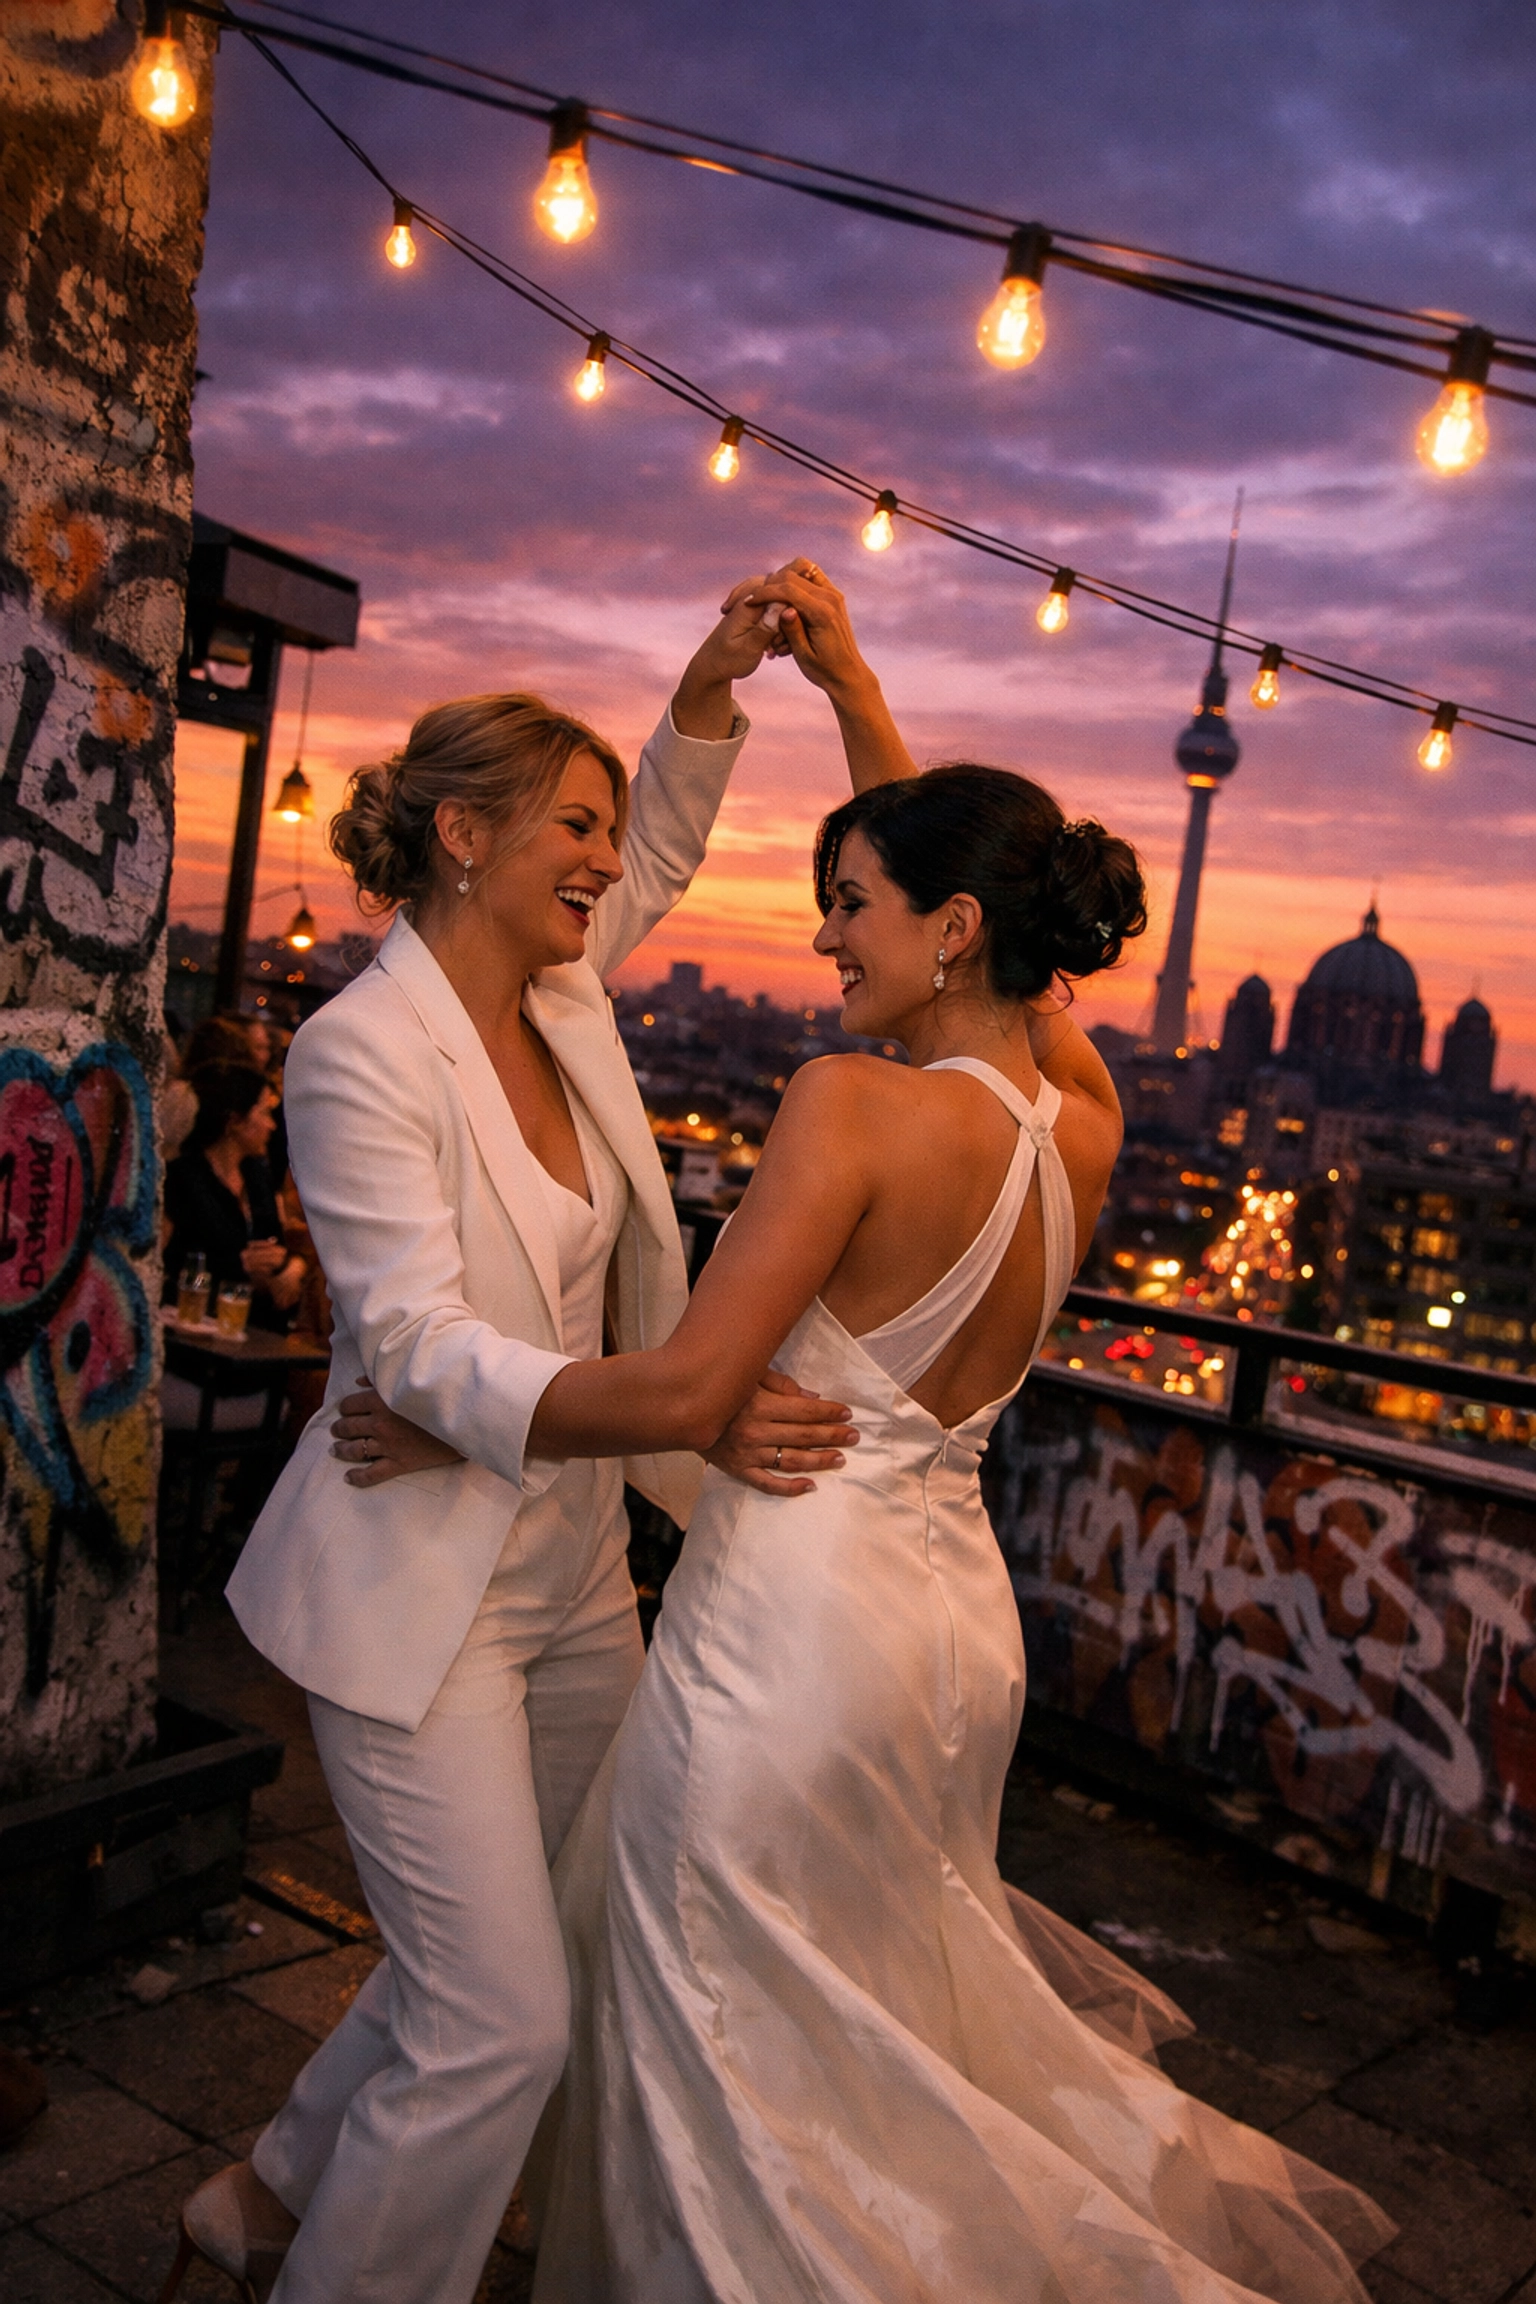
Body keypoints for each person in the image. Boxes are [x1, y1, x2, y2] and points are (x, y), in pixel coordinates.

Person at [339, 714, 1394, 2301]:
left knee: (724, 2024)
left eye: (851, 901)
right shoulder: (1082, 1124)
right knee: (865, 2003)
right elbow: (995, 910)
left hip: (793, 1627)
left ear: (953, 926)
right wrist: (848, 688)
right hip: (951, 1633)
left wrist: (459, 1424)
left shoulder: (850, 1103)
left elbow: (696, 1391)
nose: (825, 933)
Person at [162, 567, 905, 2304]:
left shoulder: (563, 994)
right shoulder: (361, 1052)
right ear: (463, 838)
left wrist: (717, 682)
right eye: (568, 825)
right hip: (414, 1597)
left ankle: (269, 2189)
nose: (604, 855)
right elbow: (413, 1340)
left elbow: (658, 843)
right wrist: (660, 1404)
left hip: (575, 1577)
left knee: (529, 1937)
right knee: (497, 2019)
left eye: (603, 828)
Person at [162, 1061, 308, 1335]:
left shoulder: (257, 1177)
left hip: (256, 1333)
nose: (272, 1125)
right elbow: (167, 1266)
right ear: (234, 1121)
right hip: (195, 1334)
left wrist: (289, 1267)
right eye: (264, 1113)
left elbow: (277, 1247)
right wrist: (239, 1268)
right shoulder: (182, 1178)